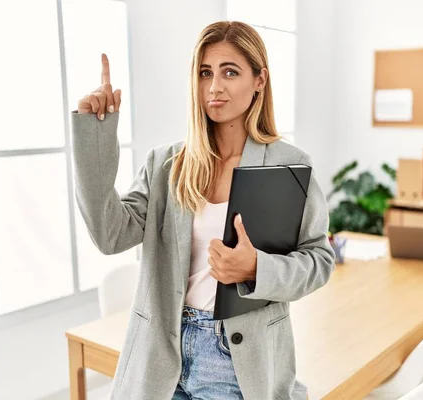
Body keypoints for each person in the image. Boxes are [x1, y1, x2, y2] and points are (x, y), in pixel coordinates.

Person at [72, 21, 335, 400]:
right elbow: (109, 235)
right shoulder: (167, 164)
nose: (214, 87)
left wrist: (257, 268)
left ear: (259, 80)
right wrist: (95, 135)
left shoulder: (289, 165)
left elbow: (319, 259)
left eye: (230, 72)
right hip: (160, 356)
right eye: (204, 73)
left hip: (235, 361)